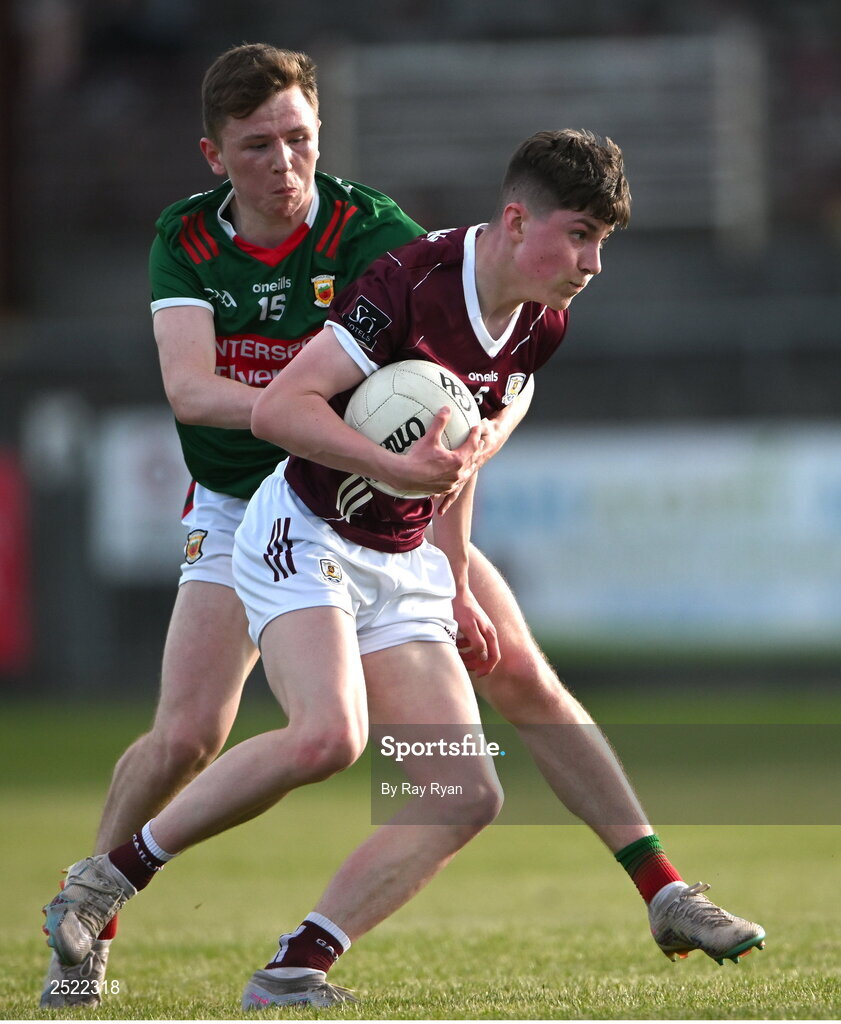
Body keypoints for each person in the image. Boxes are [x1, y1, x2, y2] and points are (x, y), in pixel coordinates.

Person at [41, 45, 764, 1010]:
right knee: (199, 737)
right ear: (214, 155)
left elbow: (471, 395)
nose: (284, 162)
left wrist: (451, 524)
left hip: (394, 521)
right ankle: (93, 907)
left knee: (494, 716)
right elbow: (200, 393)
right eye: (258, 145)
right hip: (263, 505)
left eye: (299, 138)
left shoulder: (385, 236)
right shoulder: (203, 241)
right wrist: (363, 425)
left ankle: (659, 887)